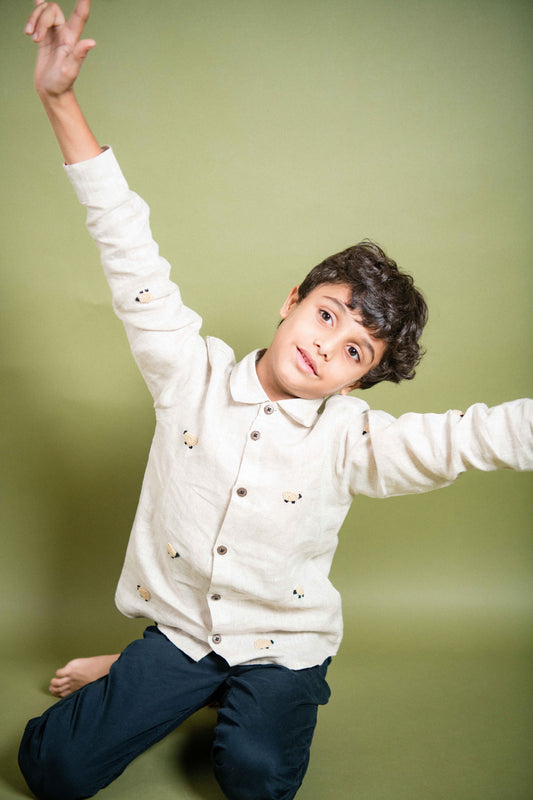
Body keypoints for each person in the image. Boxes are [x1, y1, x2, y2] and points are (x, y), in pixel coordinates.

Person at [19, 2, 533, 799]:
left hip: (282, 645)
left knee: (255, 782)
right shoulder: (187, 373)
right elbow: (127, 245)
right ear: (292, 298)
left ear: (357, 380)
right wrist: (60, 100)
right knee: (49, 771)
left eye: (353, 350)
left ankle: (200, 690)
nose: (327, 344)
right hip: (186, 633)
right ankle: (144, 672)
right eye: (325, 315)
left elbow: (474, 436)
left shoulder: (353, 439)